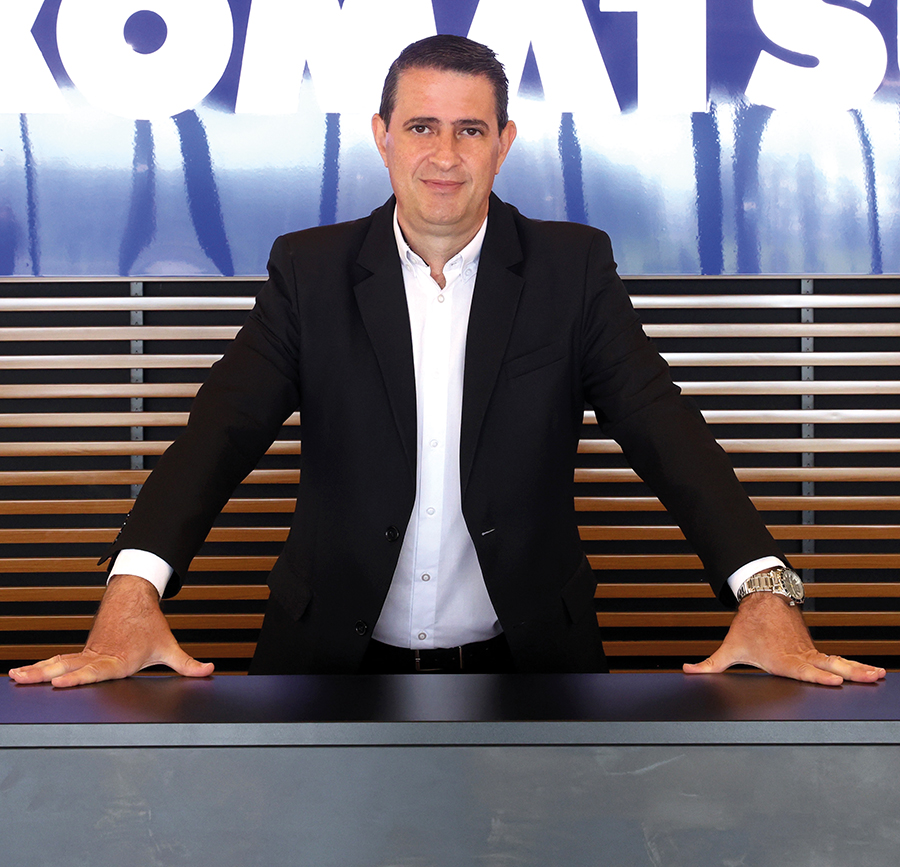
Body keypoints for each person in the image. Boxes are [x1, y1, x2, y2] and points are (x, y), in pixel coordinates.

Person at [9, 35, 884, 687]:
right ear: (382, 135)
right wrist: (132, 588)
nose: (444, 154)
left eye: (470, 129)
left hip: (532, 671)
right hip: (327, 669)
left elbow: (667, 431)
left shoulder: (572, 269)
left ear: (504, 142)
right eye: (422, 125)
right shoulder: (309, 271)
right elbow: (218, 432)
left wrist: (765, 587)